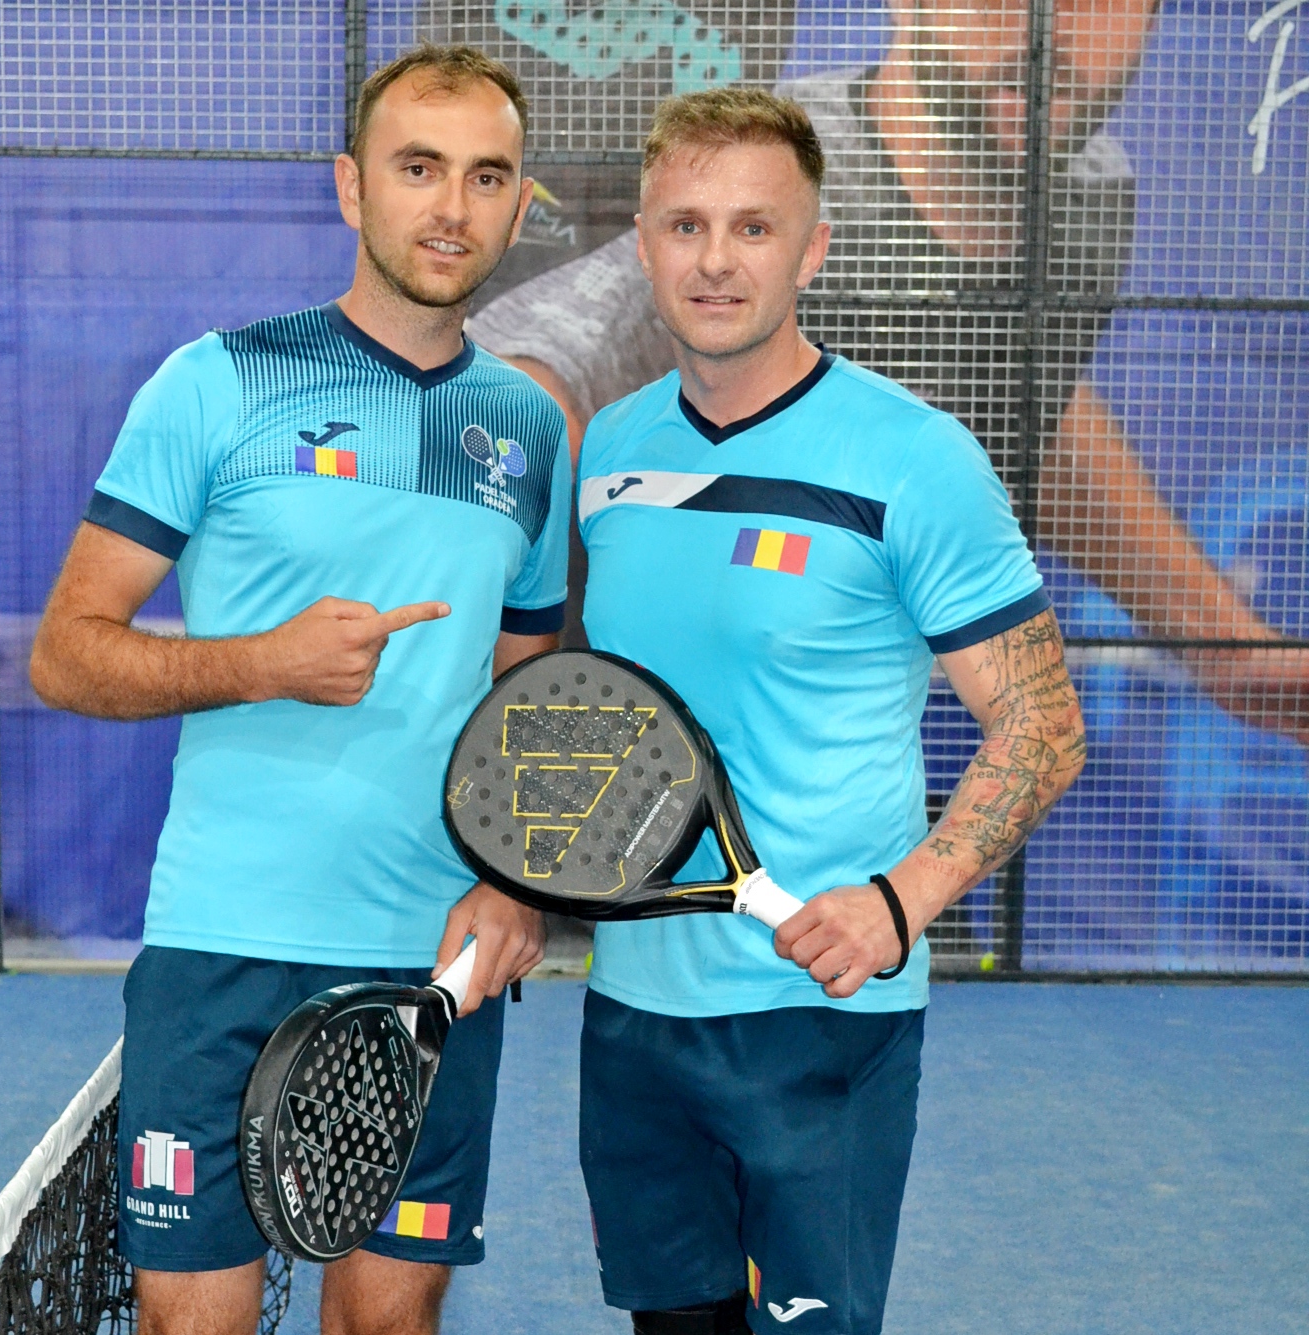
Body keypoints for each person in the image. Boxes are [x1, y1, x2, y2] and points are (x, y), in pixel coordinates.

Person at [29, 44, 572, 1335]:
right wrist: (263, 663)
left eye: (487, 176)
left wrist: (516, 883)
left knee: (390, 1322)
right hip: (221, 946)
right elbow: (67, 652)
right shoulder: (216, 381)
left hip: (429, 964)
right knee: (193, 1326)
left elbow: (530, 693)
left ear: (517, 204)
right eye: (418, 168)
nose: (452, 207)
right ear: (350, 186)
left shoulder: (532, 429)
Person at [573, 89, 1085, 1333]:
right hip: (634, 1010)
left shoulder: (915, 459)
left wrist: (899, 905)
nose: (715, 260)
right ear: (643, 245)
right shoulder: (609, 451)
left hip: (820, 1019)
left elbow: (1044, 725)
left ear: (813, 250)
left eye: (754, 227)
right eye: (686, 225)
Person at [467, 0, 1309, 745]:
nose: (1042, 28)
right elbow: (532, 387)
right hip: (601, 781)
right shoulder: (782, 184)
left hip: (832, 772)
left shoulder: (1088, 192)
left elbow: (1017, 401)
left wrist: (1221, 644)